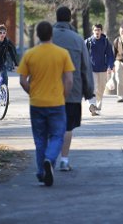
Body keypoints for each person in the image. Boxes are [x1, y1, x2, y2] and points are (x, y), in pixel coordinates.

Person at [17, 21, 75, 186]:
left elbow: (22, 80)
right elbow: (69, 80)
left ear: (37, 35)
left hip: (36, 103)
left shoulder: (30, 54)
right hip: (56, 102)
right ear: (51, 35)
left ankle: (42, 171)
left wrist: (32, 92)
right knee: (57, 135)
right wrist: (63, 96)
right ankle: (49, 159)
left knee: (40, 138)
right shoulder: (62, 53)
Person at [53, 6, 94, 171]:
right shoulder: (78, 39)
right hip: (73, 90)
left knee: (52, 125)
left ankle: (50, 157)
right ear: (70, 19)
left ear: (56, 18)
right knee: (68, 127)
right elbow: (86, 67)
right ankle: (64, 159)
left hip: (49, 90)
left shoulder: (47, 37)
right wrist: (89, 90)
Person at [85, 24, 114, 115]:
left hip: (103, 69)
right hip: (91, 69)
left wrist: (110, 66)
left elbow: (110, 55)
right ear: (93, 31)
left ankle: (97, 106)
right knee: (92, 88)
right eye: (95, 30)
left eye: (99, 30)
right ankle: (92, 105)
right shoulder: (88, 42)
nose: (97, 32)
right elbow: (82, 55)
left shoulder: (105, 42)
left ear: (101, 31)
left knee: (101, 89)